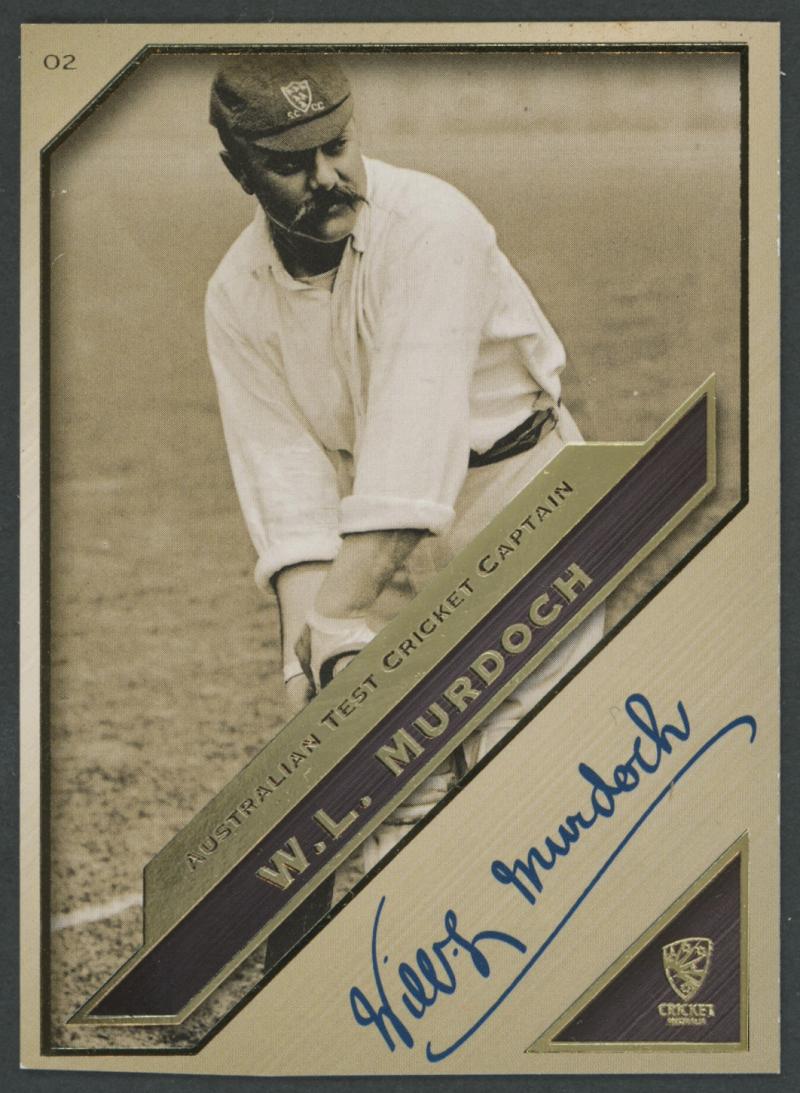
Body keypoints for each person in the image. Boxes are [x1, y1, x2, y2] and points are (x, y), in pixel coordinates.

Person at [205, 53, 604, 905]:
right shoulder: (235, 293)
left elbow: (414, 446)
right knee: (390, 797)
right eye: (290, 163)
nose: (326, 177)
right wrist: (308, 665)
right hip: (371, 534)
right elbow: (288, 488)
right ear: (238, 171)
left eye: (337, 145)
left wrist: (335, 622)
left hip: (519, 505)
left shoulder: (432, 225)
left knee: (528, 782)